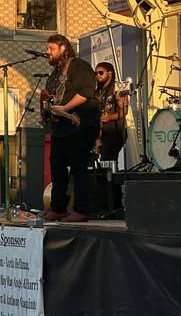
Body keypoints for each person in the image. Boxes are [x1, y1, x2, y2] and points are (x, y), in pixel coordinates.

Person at [41, 34, 99, 223]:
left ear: (63, 48)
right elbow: (50, 95)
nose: (47, 52)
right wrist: (48, 112)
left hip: (80, 124)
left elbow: (85, 93)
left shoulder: (79, 66)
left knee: (78, 167)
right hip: (61, 127)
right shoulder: (56, 74)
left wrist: (64, 108)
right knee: (56, 166)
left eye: (51, 48)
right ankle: (58, 208)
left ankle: (82, 210)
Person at [95, 62, 129, 161]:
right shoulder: (98, 91)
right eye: (96, 73)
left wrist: (109, 117)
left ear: (110, 73)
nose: (98, 75)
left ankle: (112, 176)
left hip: (115, 131)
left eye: (101, 73)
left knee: (108, 159)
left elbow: (124, 111)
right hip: (101, 133)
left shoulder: (117, 88)